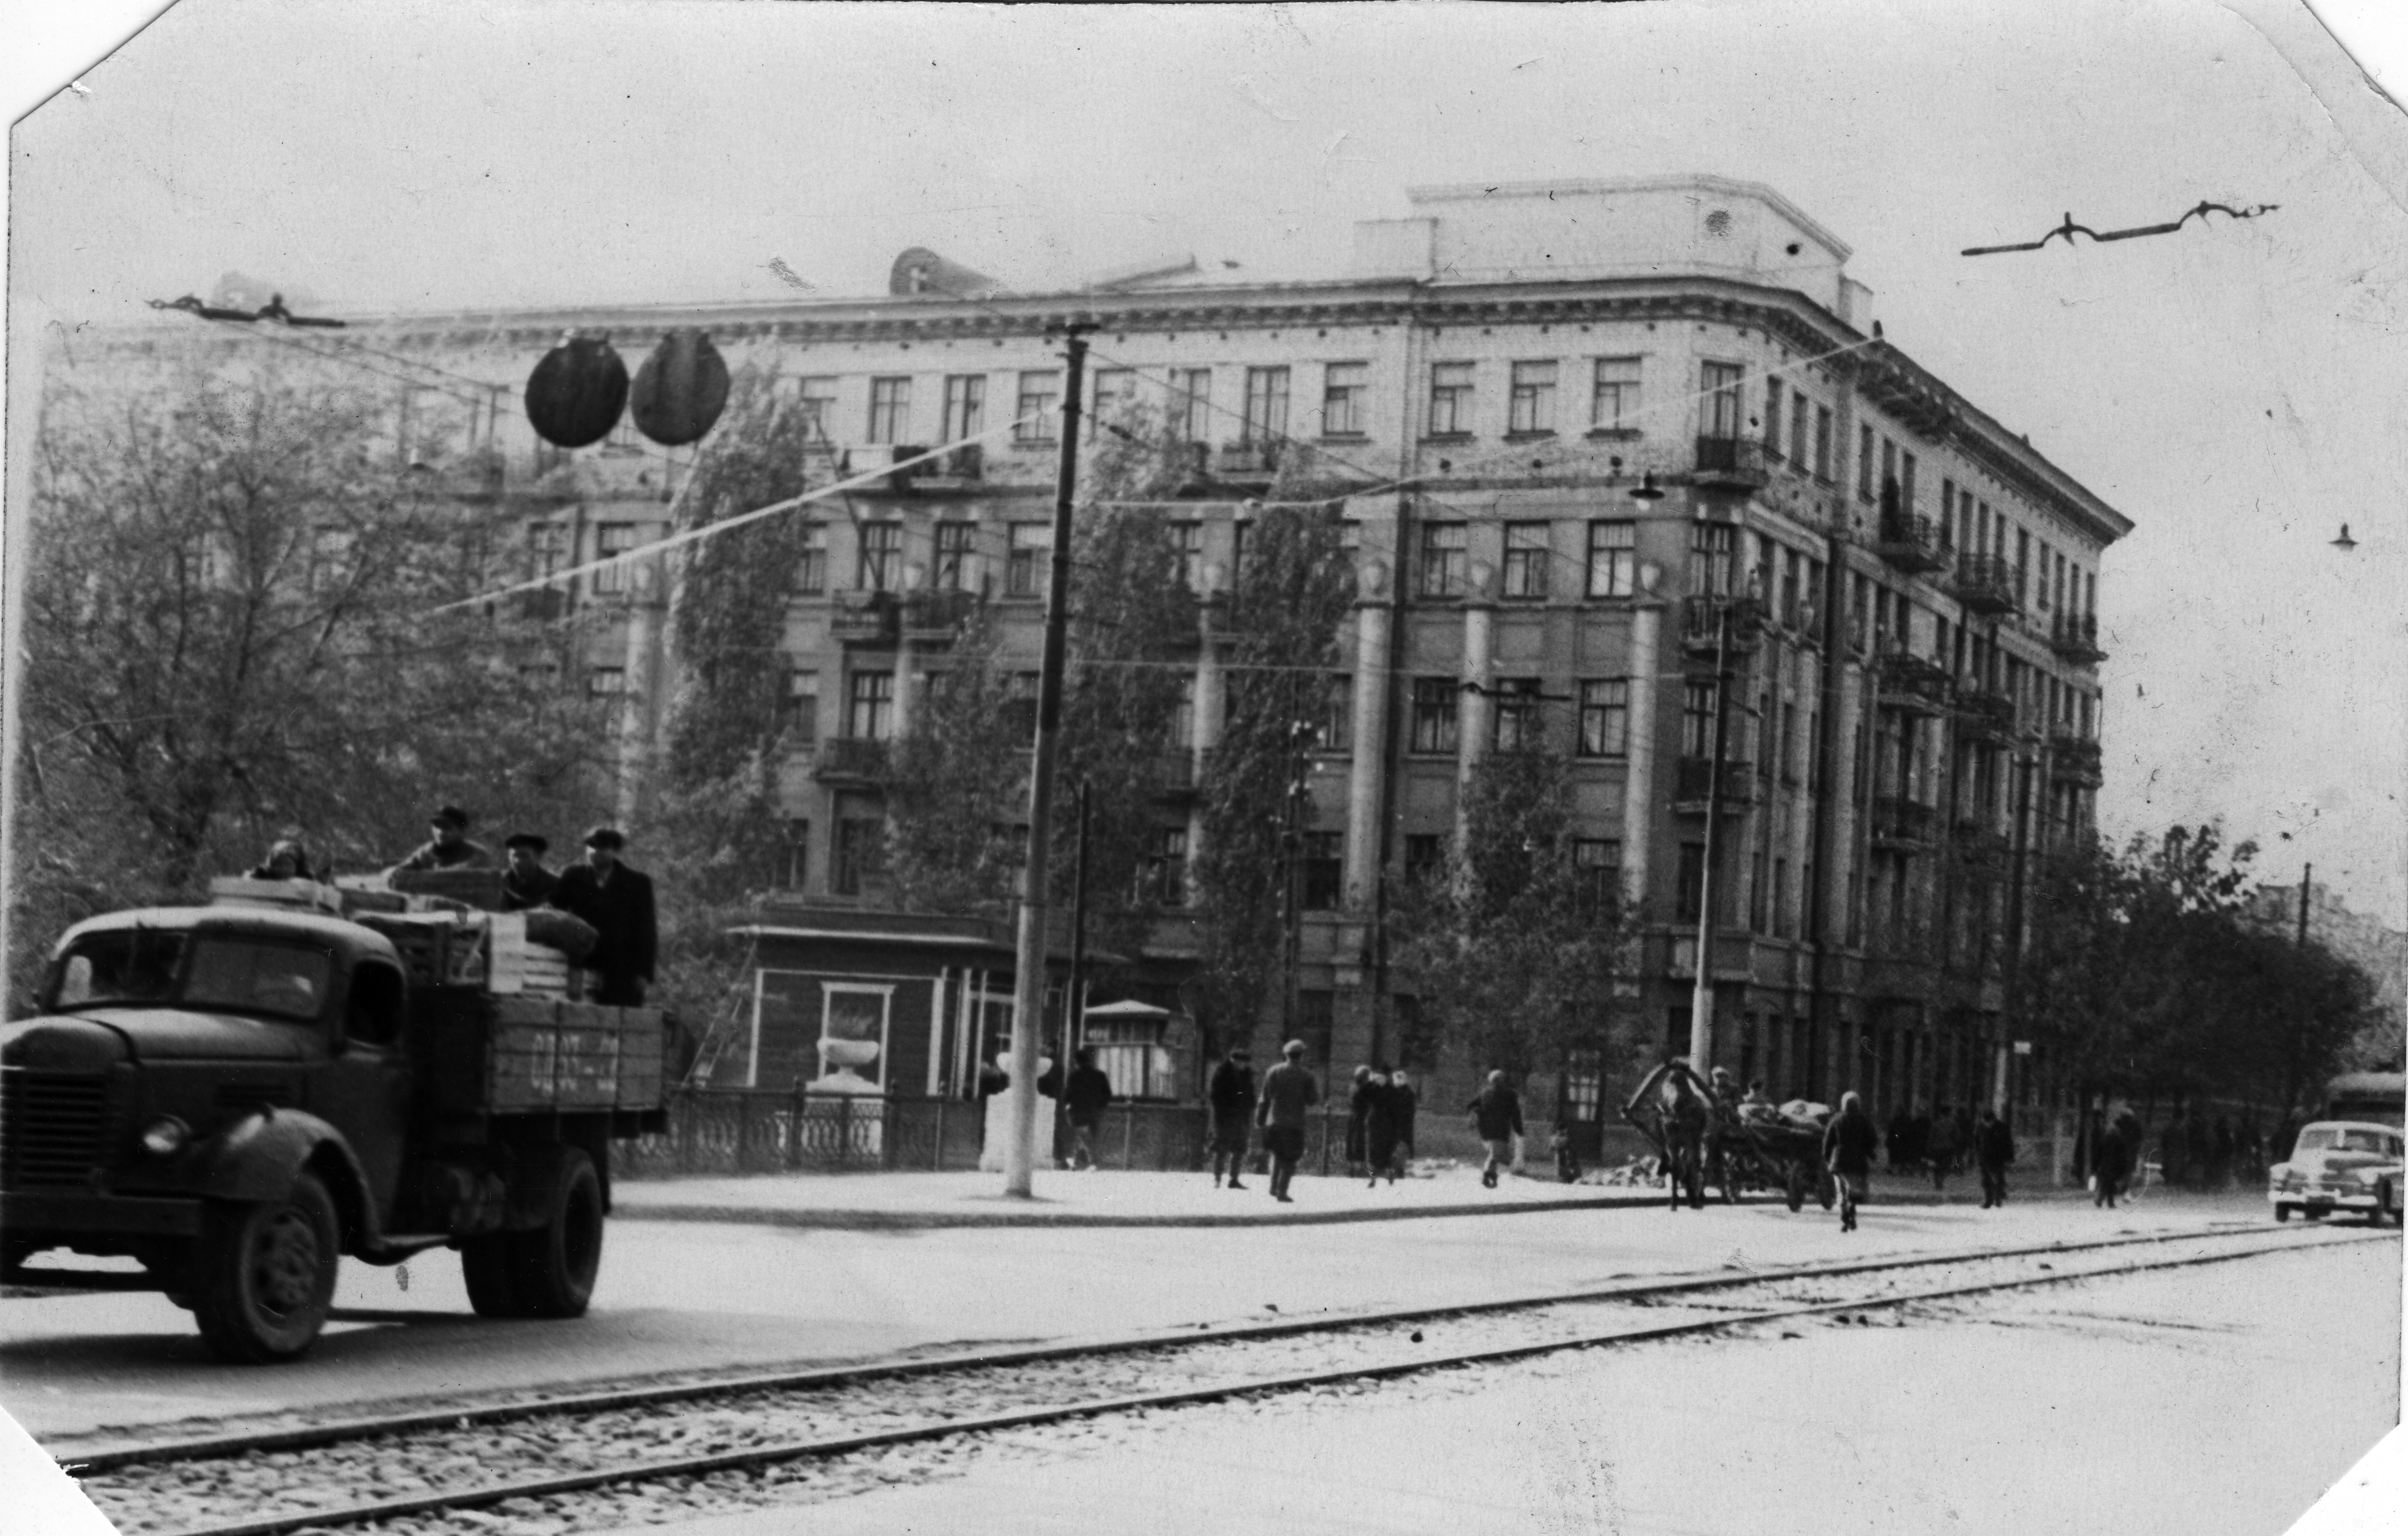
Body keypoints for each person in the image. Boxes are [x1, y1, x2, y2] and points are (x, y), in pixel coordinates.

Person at [548, 826, 658, 1006]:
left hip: (622, 968)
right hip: (582, 964)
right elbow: (554, 912)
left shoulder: (637, 883)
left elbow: (647, 930)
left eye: (602, 847)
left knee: (617, 1021)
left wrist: (644, 973)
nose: (595, 852)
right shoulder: (573, 877)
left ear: (615, 851)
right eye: (591, 846)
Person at [1254, 1040, 1320, 1203]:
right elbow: (1312, 1099)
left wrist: (1260, 1119)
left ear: (1286, 1054)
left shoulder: (1274, 1071)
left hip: (1274, 1121)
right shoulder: (1307, 1075)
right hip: (1295, 1123)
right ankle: (1282, 1191)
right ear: (1302, 1056)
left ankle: (1273, 1186)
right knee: (1290, 1158)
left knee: (1276, 1154)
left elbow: (1264, 1098)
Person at [1041, 1047, 1115, 1170]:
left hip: (1078, 1113)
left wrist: (1066, 1105)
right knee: (1090, 1137)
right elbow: (1108, 1094)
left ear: (1077, 1063)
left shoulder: (1074, 1076)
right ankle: (1077, 1162)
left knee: (1084, 1137)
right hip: (1096, 1112)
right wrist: (1100, 1106)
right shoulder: (1100, 1075)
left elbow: (1067, 1095)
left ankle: (1092, 1163)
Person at [1824, 1090, 1879, 1232]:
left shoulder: (1837, 1119)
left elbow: (1829, 1141)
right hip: (1858, 1160)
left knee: (1841, 1189)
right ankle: (1852, 1213)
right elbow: (1872, 1139)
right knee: (1854, 1189)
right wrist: (1870, 1153)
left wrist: (1827, 1156)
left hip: (1840, 1159)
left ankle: (1844, 1214)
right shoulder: (1864, 1120)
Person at [1206, 1044, 1257, 1189]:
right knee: (1221, 1148)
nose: (1243, 1065)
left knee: (1239, 1149)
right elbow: (1215, 1096)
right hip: (1225, 1118)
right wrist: (1225, 1112)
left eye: (1245, 1063)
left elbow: (1251, 1094)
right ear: (1233, 1061)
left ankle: (1234, 1179)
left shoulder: (1247, 1074)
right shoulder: (1222, 1073)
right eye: (1241, 1062)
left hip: (1241, 1117)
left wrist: (1250, 1107)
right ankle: (1217, 1178)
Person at [1467, 1070, 1525, 1190]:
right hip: (1500, 1131)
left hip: (1486, 1131)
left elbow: (1471, 1106)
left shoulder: (1484, 1093)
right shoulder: (1510, 1094)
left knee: (1497, 1154)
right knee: (1497, 1156)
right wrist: (1519, 1130)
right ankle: (1488, 1175)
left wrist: (1476, 1115)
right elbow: (1516, 1114)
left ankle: (1492, 1176)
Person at [394, 805, 493, 872]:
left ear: (461, 830)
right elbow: (400, 870)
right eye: (437, 827)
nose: (441, 833)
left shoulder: (477, 854)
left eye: (447, 827)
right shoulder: (426, 852)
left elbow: (459, 874)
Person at [1365, 1067, 1410, 1187]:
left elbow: (1397, 1110)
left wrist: (1396, 1127)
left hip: (1388, 1127)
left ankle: (1389, 1173)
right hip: (1375, 1125)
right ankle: (1373, 1178)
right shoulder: (1373, 1089)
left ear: (1385, 1078)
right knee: (1373, 1152)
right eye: (1375, 1078)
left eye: (1379, 1078)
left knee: (1386, 1152)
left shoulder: (1393, 1091)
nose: (1377, 1080)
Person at [500, 833, 558, 912]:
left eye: (524, 856)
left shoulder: (555, 886)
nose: (517, 861)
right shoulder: (497, 884)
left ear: (538, 857)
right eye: (514, 856)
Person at [1975, 1105, 2016, 1208]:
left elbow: (2008, 1143)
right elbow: (1977, 1142)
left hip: (1998, 1157)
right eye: (1986, 1122)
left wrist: (2010, 1158)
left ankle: (1998, 1199)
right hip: (1984, 1158)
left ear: (1993, 1119)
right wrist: (1978, 1154)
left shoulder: (2003, 1127)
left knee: (1999, 1179)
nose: (1988, 1124)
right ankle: (1988, 1201)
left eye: (1989, 1121)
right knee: (1986, 1180)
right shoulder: (1981, 1127)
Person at [1345, 1065, 1377, 1177]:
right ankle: (1359, 1170)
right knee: (1360, 1144)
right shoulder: (1365, 1088)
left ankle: (1353, 1169)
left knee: (1353, 1143)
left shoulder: (1353, 1087)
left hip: (1353, 1118)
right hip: (1362, 1119)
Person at [247, 839, 318, 882]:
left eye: (288, 865)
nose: (283, 870)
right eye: (280, 865)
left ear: (296, 868)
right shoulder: (262, 876)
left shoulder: (305, 881)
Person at [1926, 1101, 1959, 1192]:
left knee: (1937, 1165)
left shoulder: (1936, 1124)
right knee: (1947, 1166)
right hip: (1948, 1147)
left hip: (1937, 1147)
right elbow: (1957, 1136)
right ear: (1949, 1113)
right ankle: (1942, 1180)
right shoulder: (1953, 1124)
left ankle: (1938, 1182)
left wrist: (1930, 1147)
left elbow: (1932, 1137)